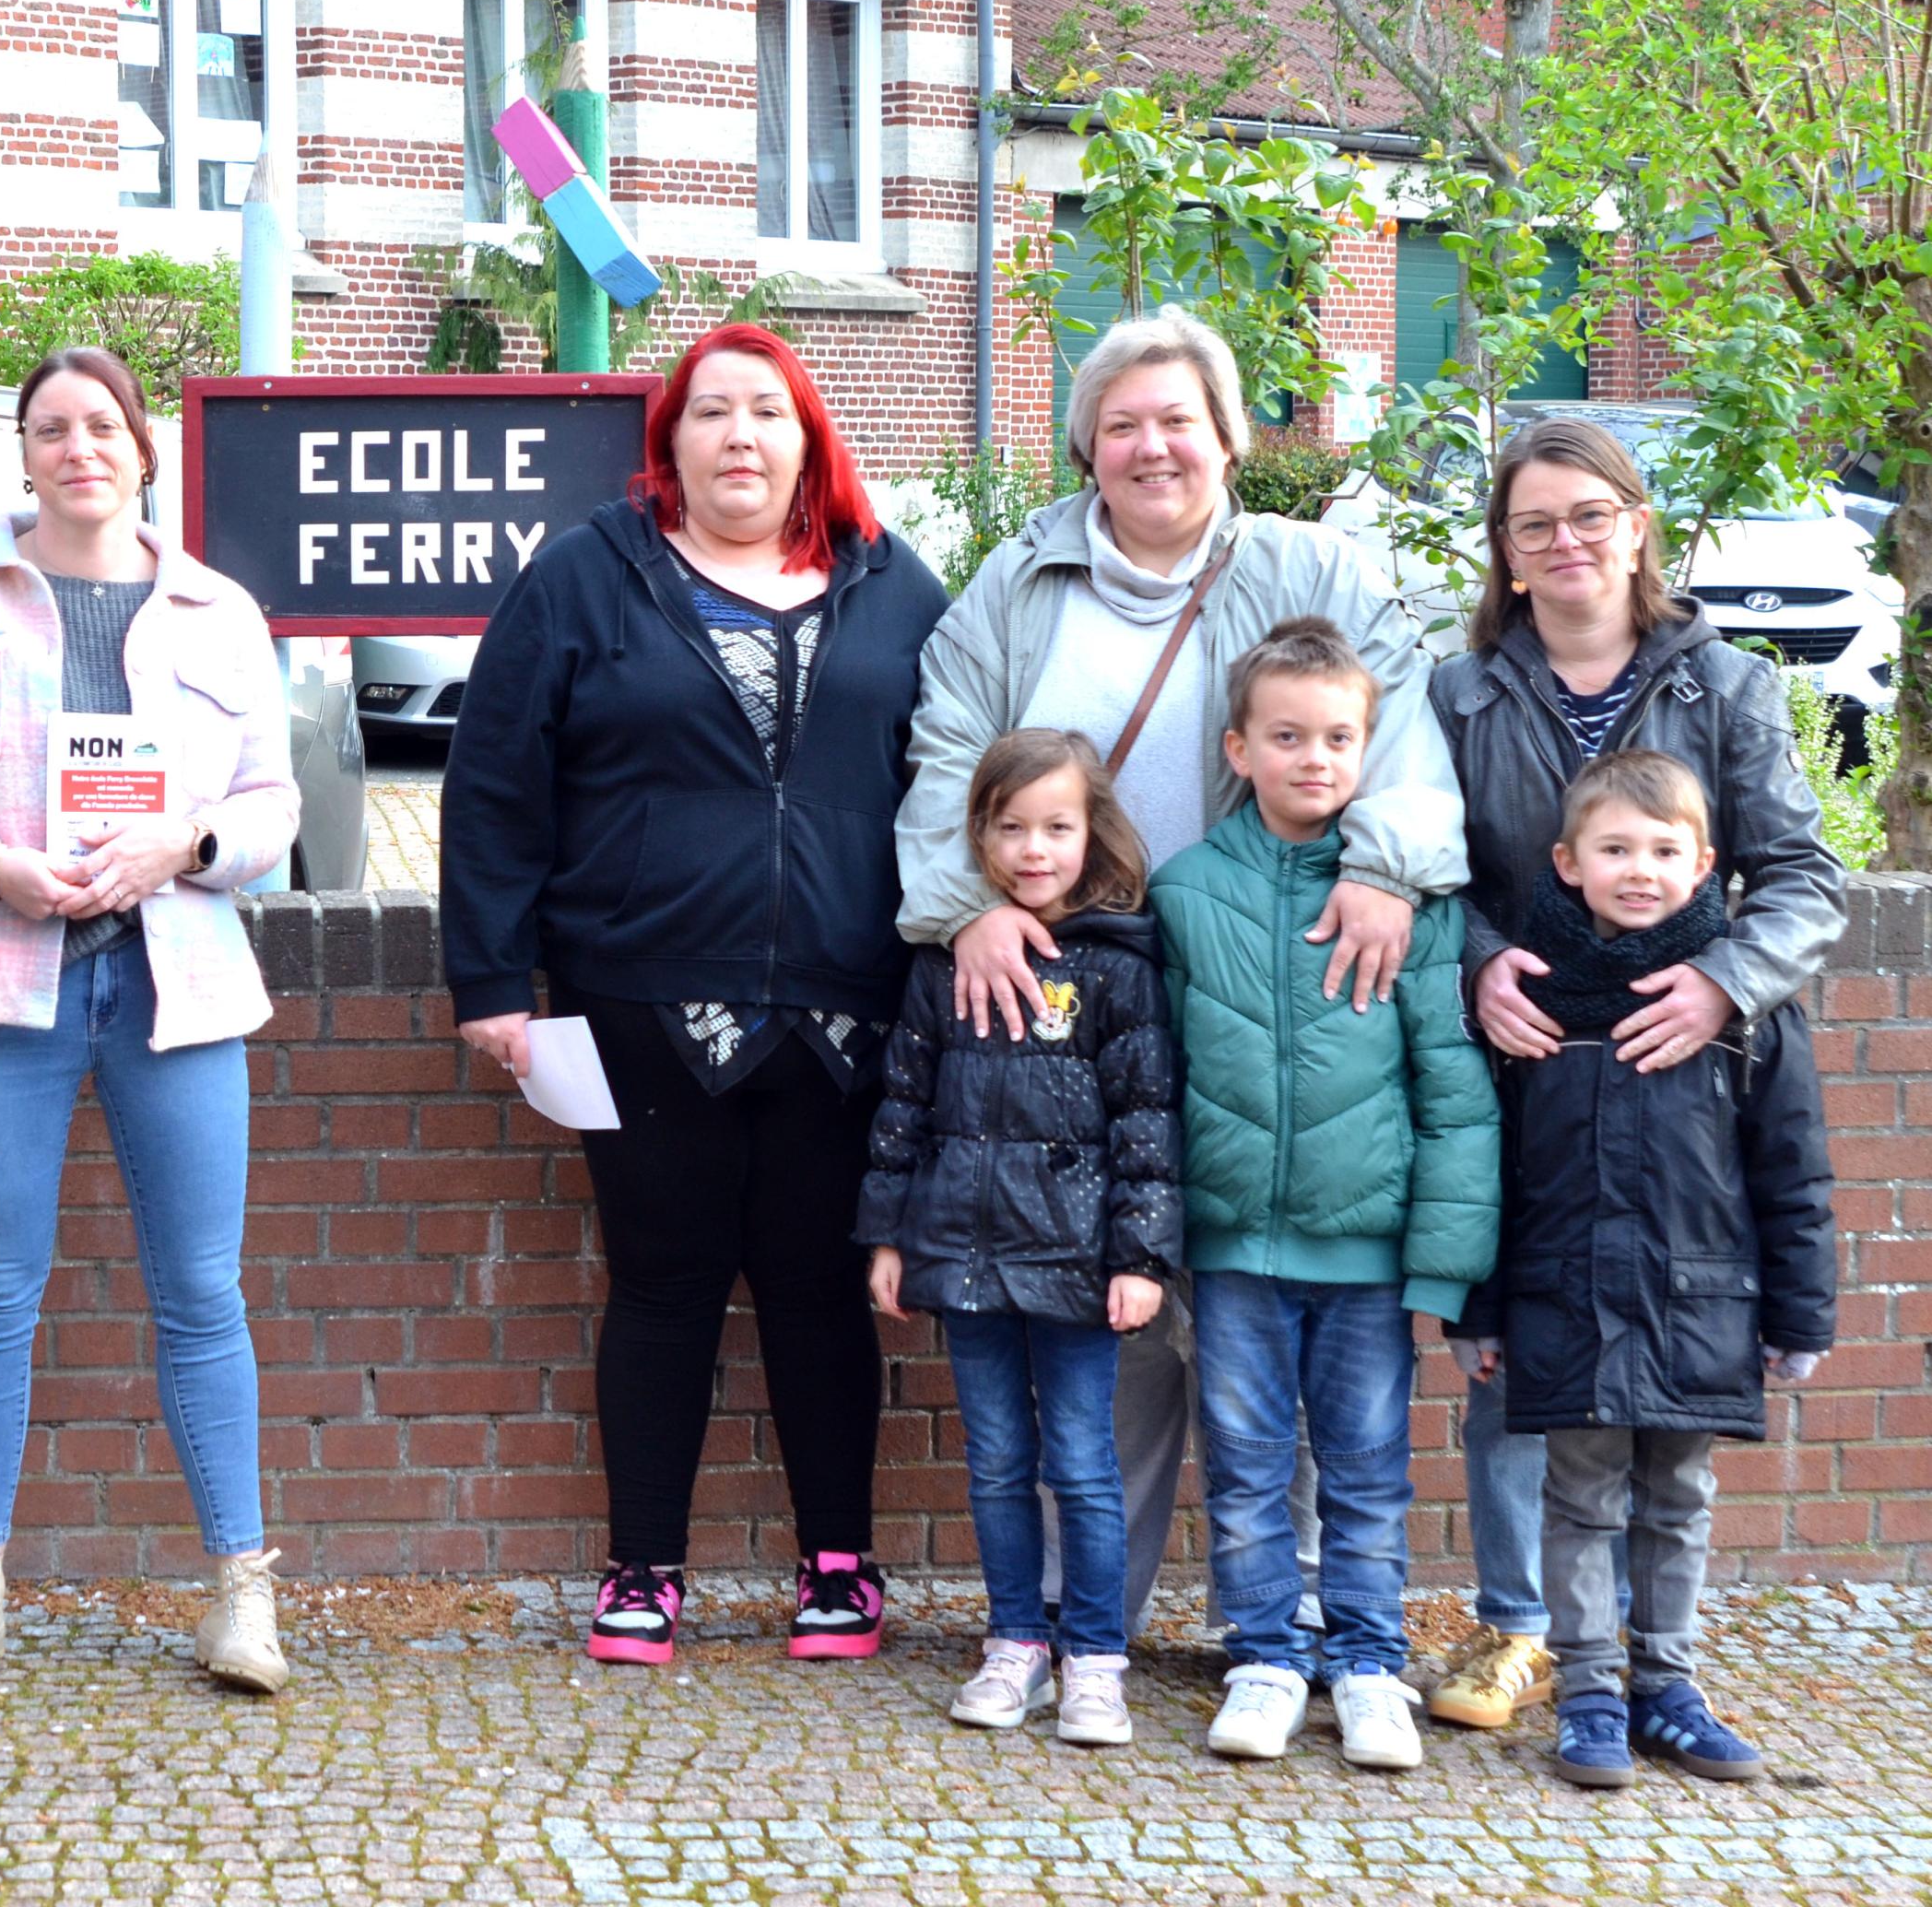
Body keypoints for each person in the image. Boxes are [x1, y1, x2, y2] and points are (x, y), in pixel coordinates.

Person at [896, 306, 1467, 1640]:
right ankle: (1080, 1615)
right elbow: (946, 750)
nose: (1152, 447)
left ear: (1228, 437)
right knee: (1111, 1319)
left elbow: (1402, 739)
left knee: (1286, 1318)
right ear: (1085, 446)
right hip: (1075, 1005)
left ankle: (1302, 1621)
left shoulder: (1315, 569)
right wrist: (963, 912)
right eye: (1122, 425)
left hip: (1272, 992)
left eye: (1178, 421)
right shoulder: (1016, 583)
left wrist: (1383, 869)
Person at [442, 322, 949, 1666]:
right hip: (638, 999)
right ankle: (642, 1567)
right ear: (668, 440)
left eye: (767, 412)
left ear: (807, 440)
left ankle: (837, 1565)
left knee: (819, 1289)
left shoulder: (893, 585)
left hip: (846, 1008)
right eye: (711, 410)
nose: (740, 435)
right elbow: (494, 779)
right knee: (660, 1285)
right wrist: (490, 976)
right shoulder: (585, 576)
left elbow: (958, 773)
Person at [0, 347, 301, 1696]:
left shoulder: (219, 610)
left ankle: (241, 1594)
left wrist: (187, 845)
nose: (79, 447)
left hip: (177, 986)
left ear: (142, 451)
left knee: (203, 1293)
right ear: (25, 454)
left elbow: (272, 805)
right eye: (52, 428)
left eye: (103, 425)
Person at [1425, 415, 1847, 1732]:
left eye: (1588, 515)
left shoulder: (1726, 686)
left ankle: (1641, 1665)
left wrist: (1728, 980)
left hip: (1682, 1069)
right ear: (1505, 551)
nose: (1564, 542)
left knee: (1662, 1424)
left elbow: (1803, 875)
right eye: (1533, 523)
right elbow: (1427, 877)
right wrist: (1474, 966)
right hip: (1532, 1059)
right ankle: (1519, 1630)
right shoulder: (1458, 695)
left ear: (1636, 526)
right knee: (1520, 1362)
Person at [1149, 618, 1499, 1772]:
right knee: (1245, 1466)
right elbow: (1154, 1079)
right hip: (1233, 1250)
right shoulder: (1184, 892)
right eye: (1287, 736)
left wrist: (1443, 1267)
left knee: (1364, 1473)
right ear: (1238, 749)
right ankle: (1262, 1658)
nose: (1313, 758)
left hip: (1366, 1255)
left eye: (1338, 738)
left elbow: (1453, 1088)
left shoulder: (1415, 906)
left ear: (1366, 749)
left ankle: (1365, 1665)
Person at [1456, 751, 1835, 1786]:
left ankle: (1665, 1686)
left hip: (1697, 1306)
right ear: (1567, 862)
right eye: (1615, 849)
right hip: (1565, 1303)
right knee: (1579, 1502)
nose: (1639, 871)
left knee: (1676, 1501)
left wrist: (1799, 1317)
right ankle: (1585, 1692)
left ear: (1704, 864)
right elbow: (1490, 1175)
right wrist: (1478, 1312)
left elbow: (1792, 1173)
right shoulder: (1533, 1006)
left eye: (1664, 851)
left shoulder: (1744, 1009)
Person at [861, 730, 1176, 1745]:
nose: (1033, 849)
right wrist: (889, 1237)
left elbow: (1146, 1123)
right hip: (965, 1257)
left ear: (1093, 834)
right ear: (979, 837)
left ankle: (1095, 1657)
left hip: (1077, 1270)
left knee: (1080, 1464)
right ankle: (1014, 1643)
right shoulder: (940, 965)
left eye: (1056, 827)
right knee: (997, 1461)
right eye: (1010, 828)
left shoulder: (1119, 968)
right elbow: (903, 1107)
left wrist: (1139, 1257)